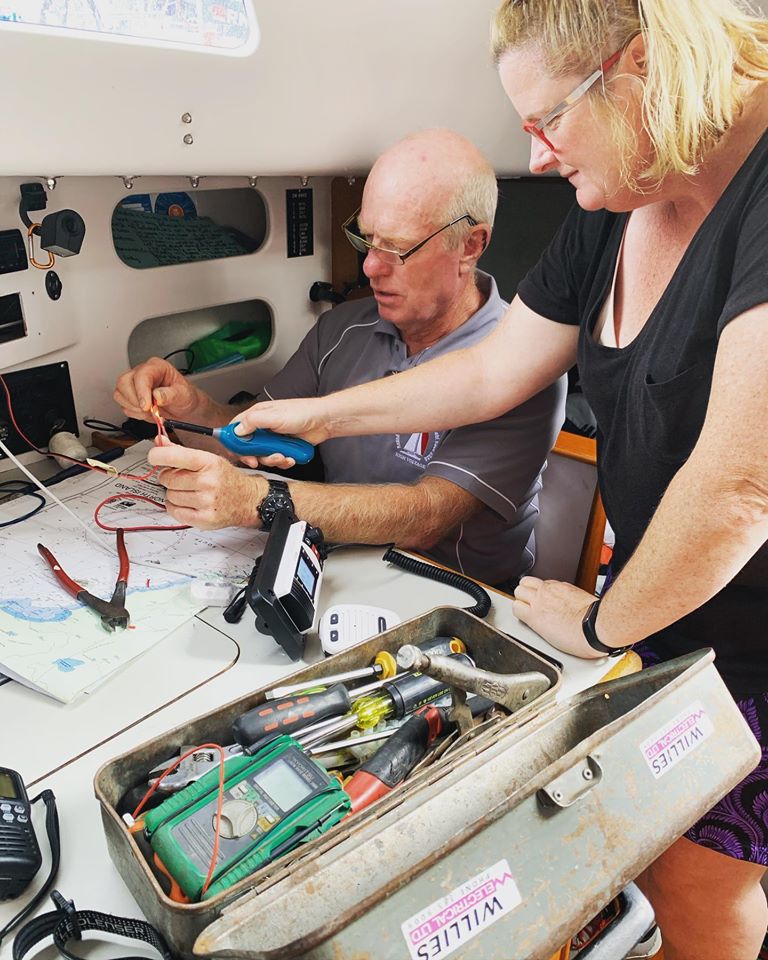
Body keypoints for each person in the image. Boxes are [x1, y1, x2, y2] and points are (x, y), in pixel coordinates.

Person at [230, 3, 768, 956]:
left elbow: (739, 493)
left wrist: (602, 627)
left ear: (637, 67)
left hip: (747, 625)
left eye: (549, 119)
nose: (538, 158)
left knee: (695, 880)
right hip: (659, 603)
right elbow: (488, 372)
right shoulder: (621, 204)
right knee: (643, 850)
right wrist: (317, 414)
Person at [114, 129, 565, 587]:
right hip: (338, 568)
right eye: (367, 239)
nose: (370, 266)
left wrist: (257, 501)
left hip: (459, 597)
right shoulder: (342, 328)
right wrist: (193, 409)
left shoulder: (523, 362)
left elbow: (424, 519)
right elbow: (254, 440)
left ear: (470, 245)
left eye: (398, 247)